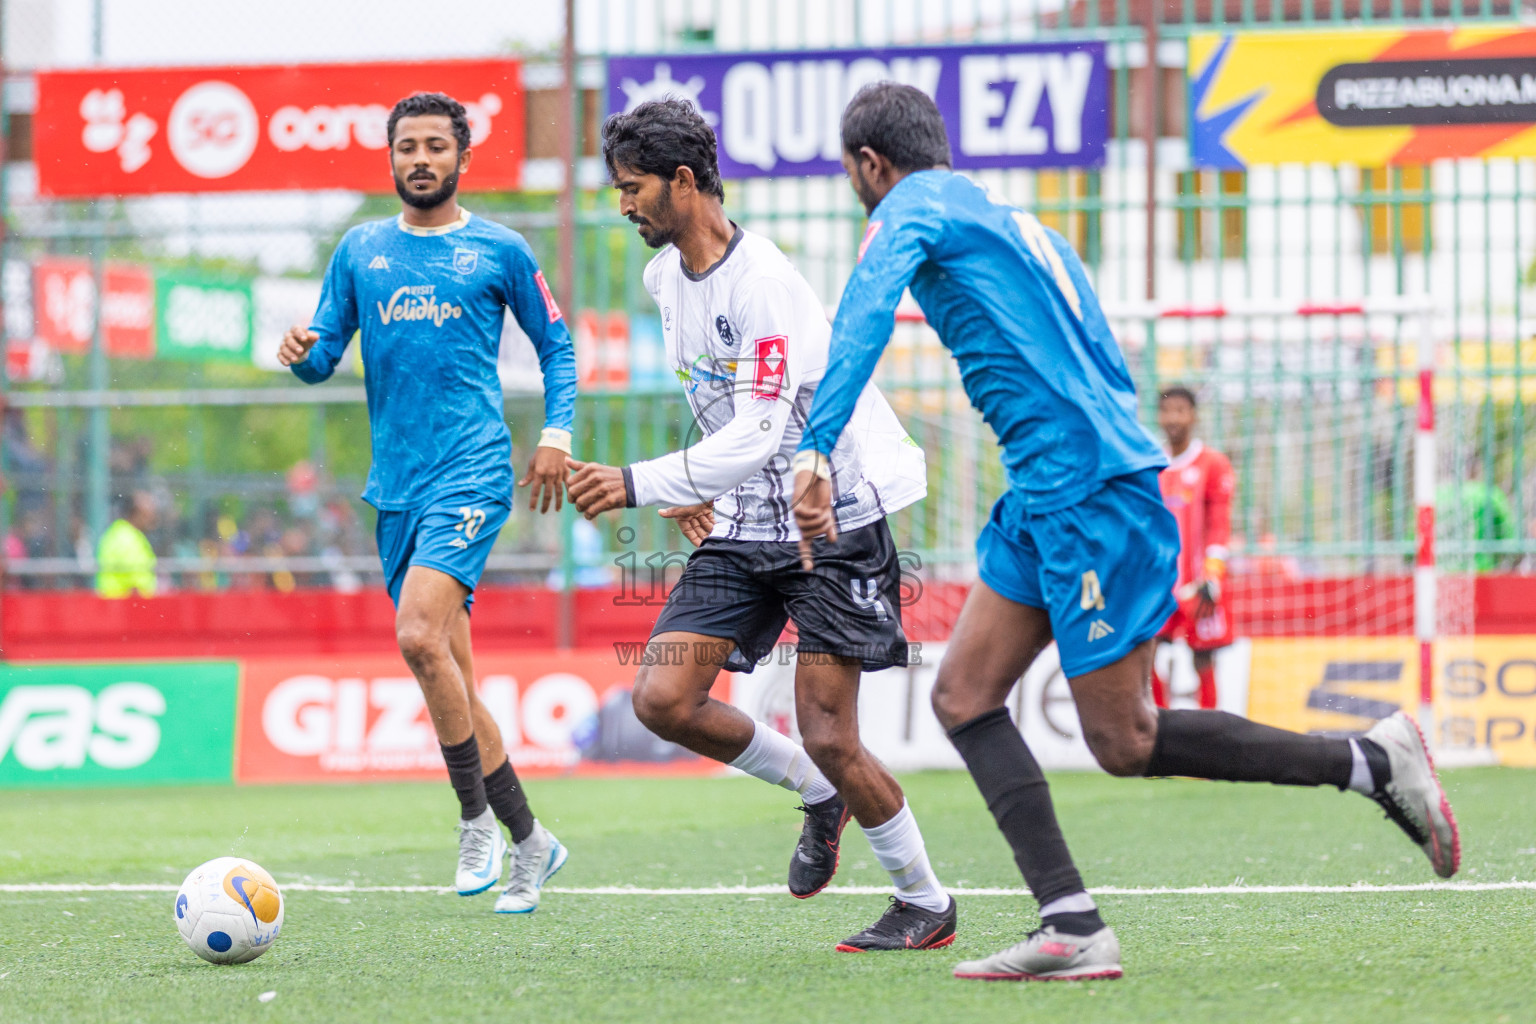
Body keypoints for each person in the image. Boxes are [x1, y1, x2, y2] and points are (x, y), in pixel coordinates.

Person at [791, 82, 1459, 982]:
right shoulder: (1023, 226)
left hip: (1084, 495)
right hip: (1055, 490)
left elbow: (865, 310)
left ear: (872, 164)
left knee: (1125, 740)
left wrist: (817, 446)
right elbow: (1105, 358)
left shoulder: (910, 206)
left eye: (853, 176)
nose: (858, 193)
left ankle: (1370, 762)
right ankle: (1070, 922)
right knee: (962, 694)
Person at [566, 98, 956, 952]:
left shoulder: (765, 283)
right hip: (743, 524)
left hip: (830, 522)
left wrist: (639, 482)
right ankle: (818, 792)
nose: (622, 205)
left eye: (632, 188)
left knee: (830, 731)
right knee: (663, 699)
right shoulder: (663, 279)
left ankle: (925, 902)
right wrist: (693, 484)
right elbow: (721, 407)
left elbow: (760, 429)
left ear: (682, 180)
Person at [278, 91, 577, 914]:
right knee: (454, 677)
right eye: (406, 146)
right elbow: (324, 356)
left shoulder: (499, 249)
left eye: (435, 147)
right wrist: (301, 354)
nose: (420, 159)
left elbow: (556, 345)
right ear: (391, 158)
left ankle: (474, 819)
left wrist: (556, 433)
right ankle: (531, 841)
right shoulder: (361, 250)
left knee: (416, 636)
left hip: (472, 473)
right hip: (396, 490)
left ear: (462, 159)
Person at [1151, 386, 1235, 710]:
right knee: (1146, 654)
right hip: (1159, 585)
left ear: (1193, 416)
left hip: (1198, 584)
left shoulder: (1213, 464)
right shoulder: (1151, 464)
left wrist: (1212, 576)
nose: (1173, 418)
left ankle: (1211, 733)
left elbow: (1219, 524)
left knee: (1203, 660)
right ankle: (1157, 728)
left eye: (1180, 411)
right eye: (1166, 411)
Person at [96, 491, 159, 598]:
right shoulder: (125, 537)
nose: (152, 520)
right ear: (136, 513)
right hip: (124, 602)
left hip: (121, 601)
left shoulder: (124, 533)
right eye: (147, 515)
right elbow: (135, 581)